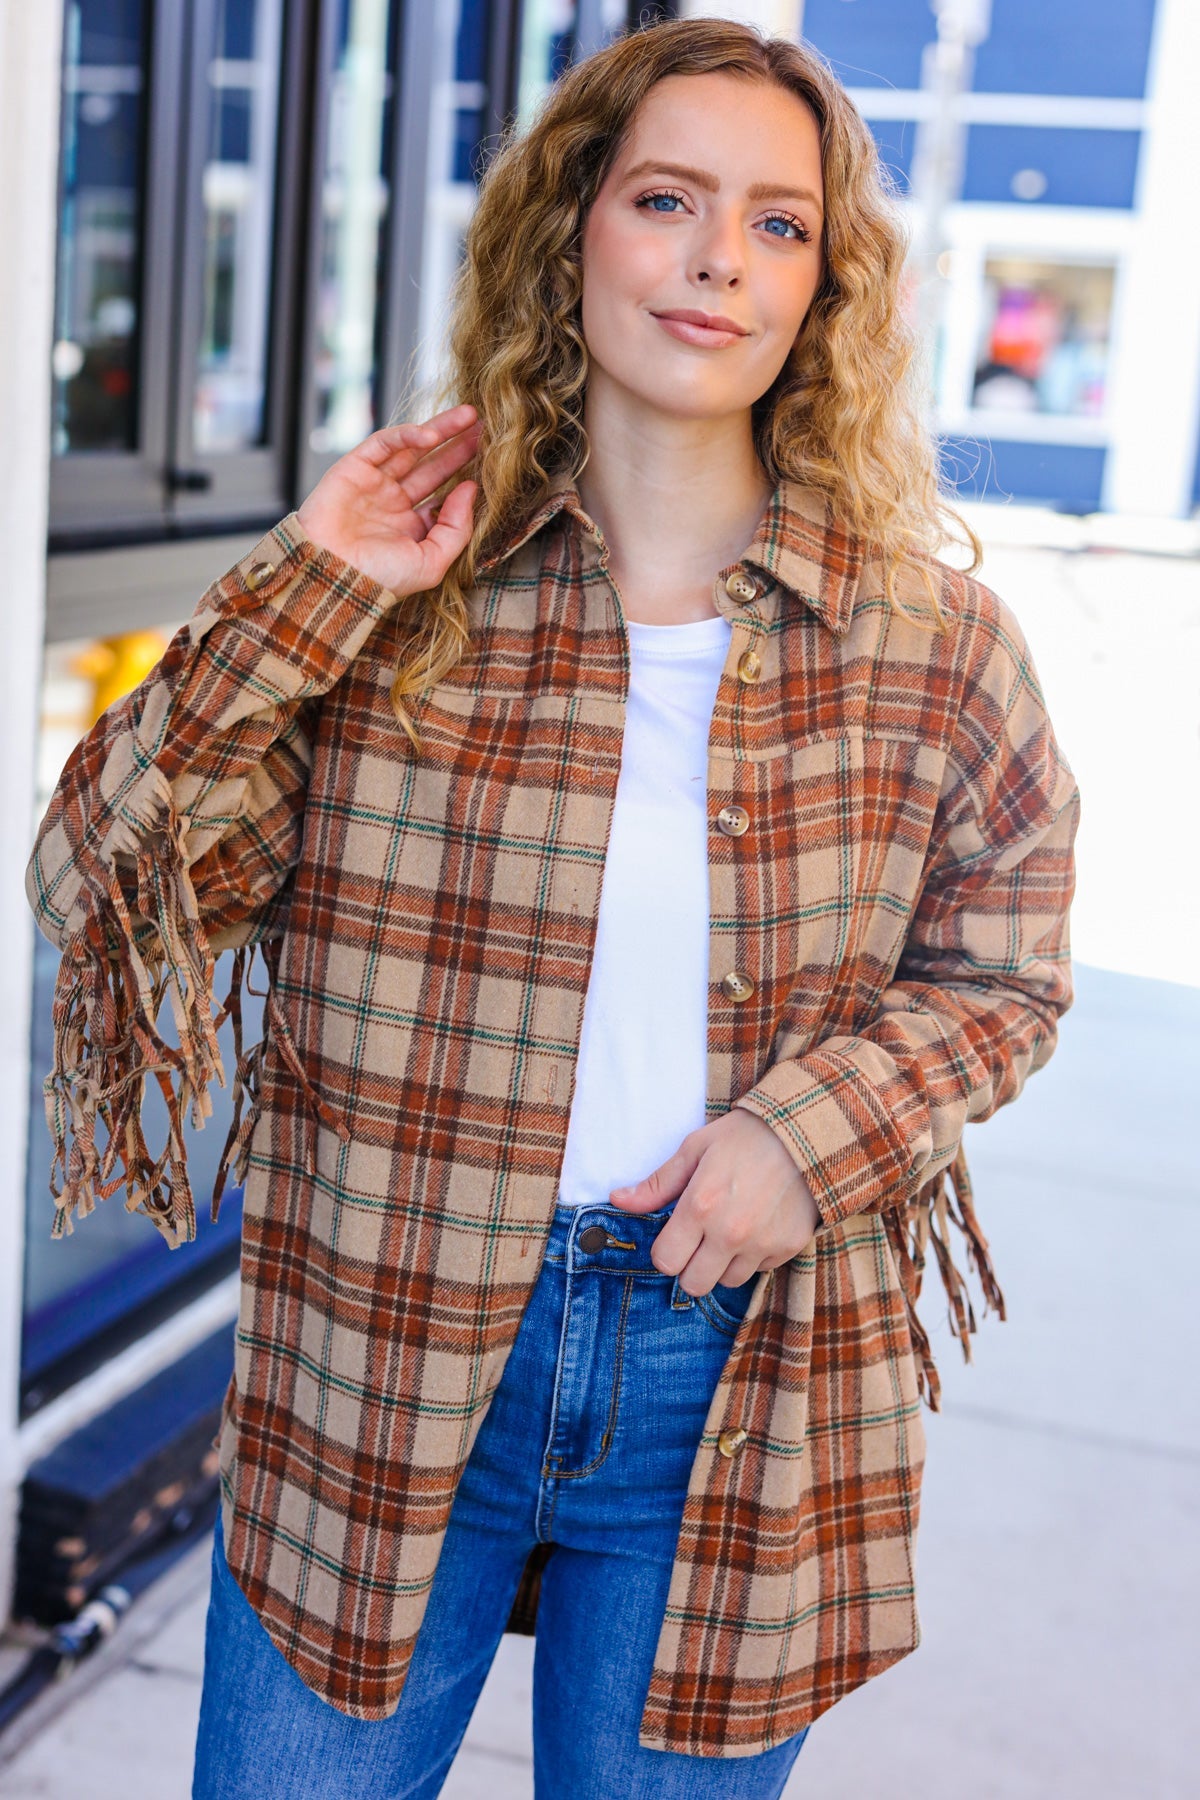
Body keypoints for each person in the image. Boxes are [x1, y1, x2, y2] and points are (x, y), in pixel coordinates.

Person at [25, 17, 1079, 1799]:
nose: (715, 262)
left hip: (729, 1371)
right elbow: (94, 889)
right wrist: (309, 587)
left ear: (823, 286)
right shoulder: (397, 595)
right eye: (668, 199)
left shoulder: (932, 646)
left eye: (777, 224)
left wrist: (807, 1141)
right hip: (380, 1340)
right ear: (572, 223)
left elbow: (1007, 971)